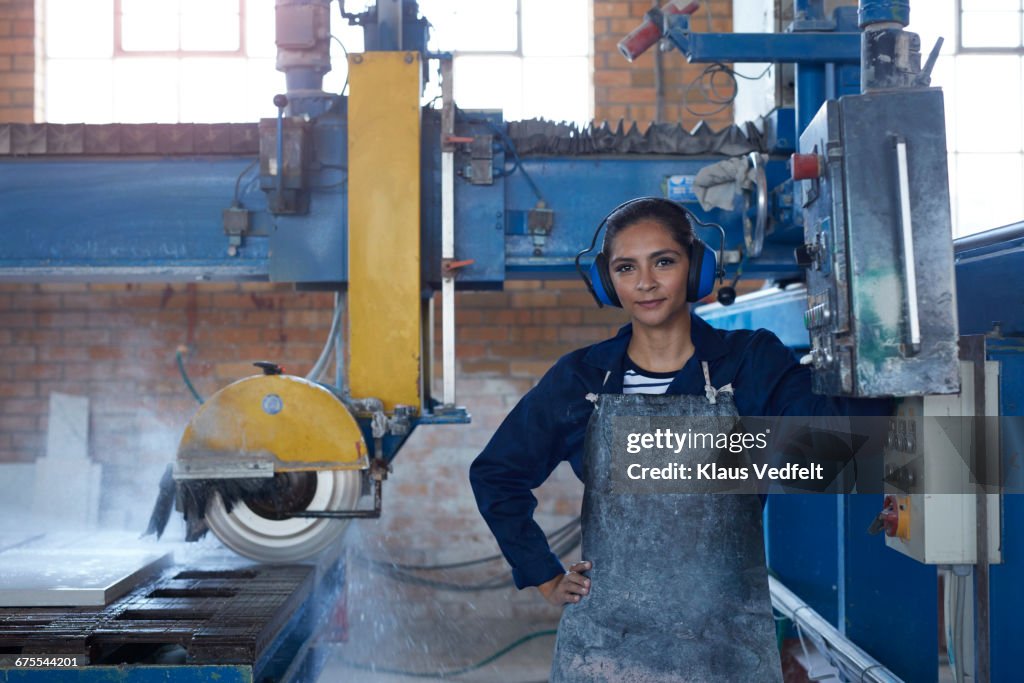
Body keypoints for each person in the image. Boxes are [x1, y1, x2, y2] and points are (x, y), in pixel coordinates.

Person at [468, 197, 889, 681]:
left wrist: (878, 338)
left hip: (725, 650)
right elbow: (497, 474)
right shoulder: (582, 378)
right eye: (627, 268)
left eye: (663, 262)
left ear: (696, 269)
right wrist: (543, 575)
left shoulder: (750, 363)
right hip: (607, 649)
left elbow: (842, 450)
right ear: (609, 282)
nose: (645, 283)